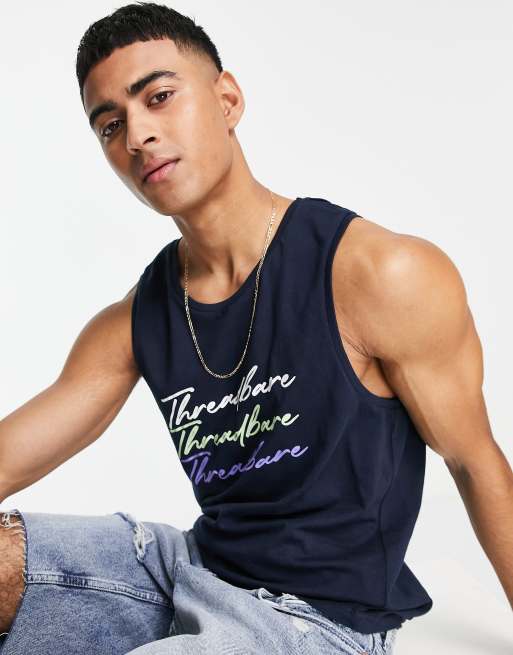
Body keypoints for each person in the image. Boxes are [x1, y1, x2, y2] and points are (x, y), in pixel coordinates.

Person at [1, 3, 511, 654]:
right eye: (111, 124)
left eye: (159, 97)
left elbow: (474, 460)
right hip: (193, 571)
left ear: (228, 99)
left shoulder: (378, 273)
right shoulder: (136, 319)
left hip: (319, 622)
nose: (138, 136)